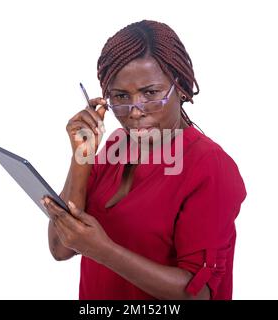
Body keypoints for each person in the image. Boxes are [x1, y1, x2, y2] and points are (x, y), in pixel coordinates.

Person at [41, 20, 247, 300]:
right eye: (121, 96)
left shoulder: (210, 167)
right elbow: (60, 249)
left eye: (151, 93)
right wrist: (81, 159)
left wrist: (103, 251)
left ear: (182, 87)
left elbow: (199, 295)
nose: (136, 111)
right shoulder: (116, 145)